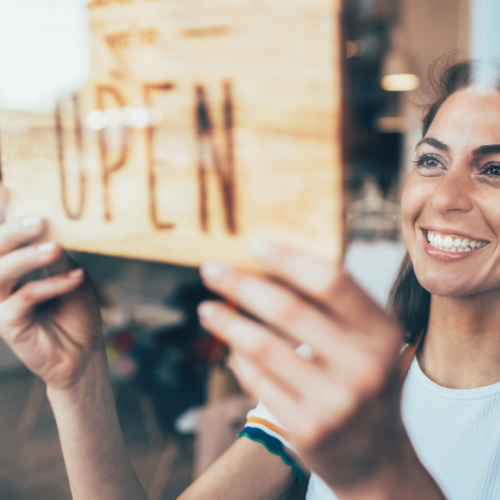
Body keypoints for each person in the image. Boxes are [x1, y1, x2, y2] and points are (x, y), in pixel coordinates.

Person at [2, 56, 495, 500]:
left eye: (494, 169)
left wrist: (378, 472)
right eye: (431, 161)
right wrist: (79, 378)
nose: (445, 198)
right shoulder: (334, 376)